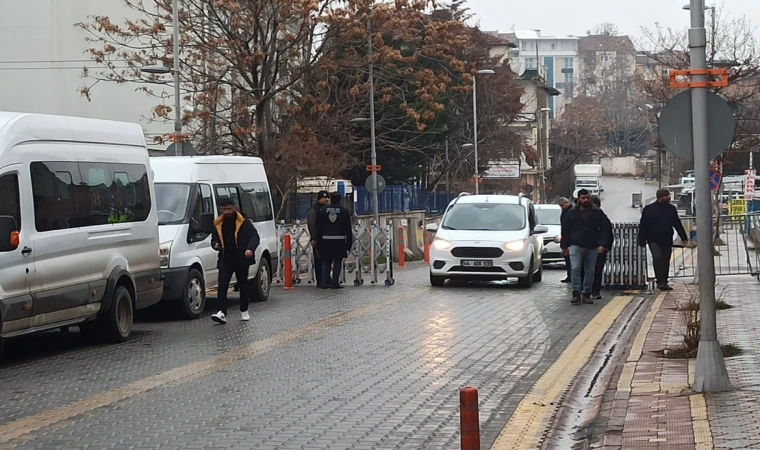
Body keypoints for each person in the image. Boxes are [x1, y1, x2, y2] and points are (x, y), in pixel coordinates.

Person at [210, 198, 260, 324]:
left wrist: (250, 249)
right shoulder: (218, 224)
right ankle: (221, 312)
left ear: (234, 208)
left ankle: (244, 310)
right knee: (222, 285)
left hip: (242, 258)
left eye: (229, 209)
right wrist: (215, 244)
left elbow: (254, 236)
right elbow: (214, 239)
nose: (227, 212)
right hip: (226, 259)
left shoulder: (244, 222)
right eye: (224, 209)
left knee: (243, 285)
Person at [560, 189, 612, 305]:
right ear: (578, 199)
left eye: (587, 198)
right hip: (576, 245)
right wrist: (564, 246)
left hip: (592, 245)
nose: (586, 200)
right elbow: (566, 230)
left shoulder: (597, 213)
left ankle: (587, 293)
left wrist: (603, 244)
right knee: (575, 268)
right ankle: (576, 293)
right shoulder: (572, 213)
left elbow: (604, 229)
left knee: (590, 271)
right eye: (583, 198)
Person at [638, 189, 688, 291]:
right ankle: (659, 280)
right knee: (658, 258)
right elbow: (643, 225)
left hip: (666, 239)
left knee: (665, 261)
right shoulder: (649, 209)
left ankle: (663, 282)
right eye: (667, 195)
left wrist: (684, 238)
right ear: (660, 197)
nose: (669, 197)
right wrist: (641, 239)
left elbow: (677, 223)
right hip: (653, 239)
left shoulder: (671, 209)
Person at [316, 192, 353, 289]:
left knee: (326, 261)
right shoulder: (344, 211)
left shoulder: (323, 210)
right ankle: (335, 283)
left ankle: (324, 283)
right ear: (340, 199)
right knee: (337, 261)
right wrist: (349, 244)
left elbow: (319, 227)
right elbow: (348, 229)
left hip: (325, 240)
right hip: (339, 240)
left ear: (331, 198)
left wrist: (318, 241)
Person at [588, 195, 613, 299]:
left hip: (596, 247)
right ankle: (593, 291)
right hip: (594, 247)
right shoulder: (602, 217)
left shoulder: (601, 216)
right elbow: (608, 233)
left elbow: (607, 232)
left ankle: (591, 291)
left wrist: (605, 245)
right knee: (596, 270)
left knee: (594, 270)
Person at [307, 190, 331, 287]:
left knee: (327, 260)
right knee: (319, 259)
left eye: (328, 197)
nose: (326, 199)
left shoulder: (328, 208)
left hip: (327, 237)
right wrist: (314, 238)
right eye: (324, 198)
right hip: (318, 239)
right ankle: (320, 280)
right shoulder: (314, 210)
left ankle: (327, 278)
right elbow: (311, 224)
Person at [557, 197, 573, 283]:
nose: (561, 207)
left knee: (570, 261)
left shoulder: (569, 213)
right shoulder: (566, 212)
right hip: (567, 241)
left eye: (562, 205)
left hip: (570, 242)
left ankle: (571, 276)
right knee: (568, 260)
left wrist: (565, 245)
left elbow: (566, 229)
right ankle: (569, 275)